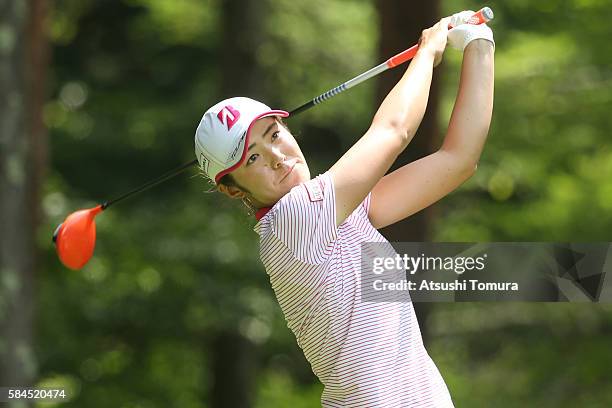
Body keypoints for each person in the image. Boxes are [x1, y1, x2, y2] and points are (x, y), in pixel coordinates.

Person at [194, 11, 494, 408]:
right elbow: (393, 131)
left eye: (274, 136)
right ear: (234, 191)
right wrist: (427, 53)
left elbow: (458, 159)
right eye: (251, 160)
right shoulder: (293, 222)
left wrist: (479, 44)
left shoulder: (342, 214)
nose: (277, 158)